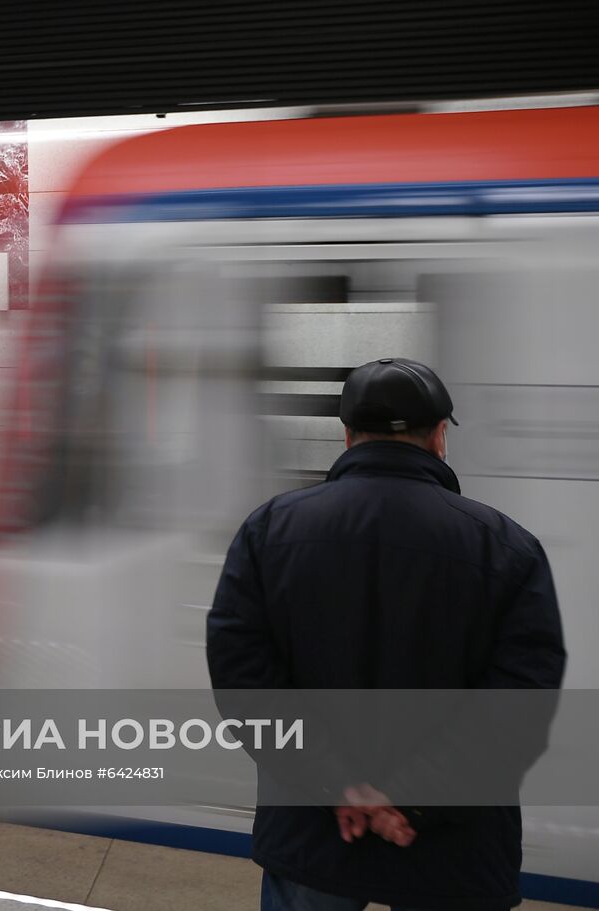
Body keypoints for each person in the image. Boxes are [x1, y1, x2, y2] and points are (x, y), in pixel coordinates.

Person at [206, 357, 566, 911]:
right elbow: (518, 706)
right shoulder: (507, 548)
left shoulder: (269, 530)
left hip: (315, 835)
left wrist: (340, 786)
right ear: (441, 438)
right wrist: (408, 798)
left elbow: (243, 682)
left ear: (347, 437)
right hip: (454, 849)